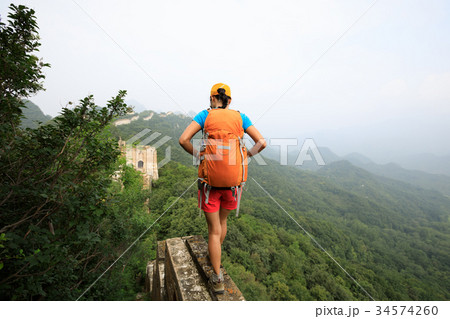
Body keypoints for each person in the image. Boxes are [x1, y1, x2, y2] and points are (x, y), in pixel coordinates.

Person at [179, 83, 266, 294]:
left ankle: (217, 279)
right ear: (229, 100)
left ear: (211, 98)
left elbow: (183, 139)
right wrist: (246, 156)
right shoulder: (240, 117)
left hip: (210, 184)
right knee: (223, 222)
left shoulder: (204, 115)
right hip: (234, 185)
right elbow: (262, 142)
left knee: (213, 231)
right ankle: (216, 255)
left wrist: (199, 156)